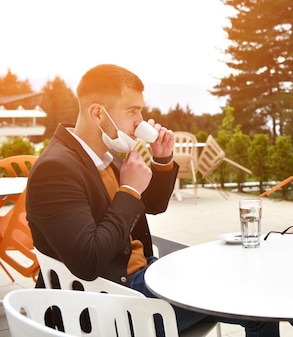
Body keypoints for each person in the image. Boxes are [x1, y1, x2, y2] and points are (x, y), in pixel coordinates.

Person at [26, 64, 280, 337]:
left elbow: (151, 206)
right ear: (98, 113)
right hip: (111, 304)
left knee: (248, 274)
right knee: (257, 299)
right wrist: (128, 191)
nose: (141, 121)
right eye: (132, 111)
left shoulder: (104, 154)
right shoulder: (56, 170)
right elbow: (88, 261)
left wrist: (161, 160)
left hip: (144, 277)